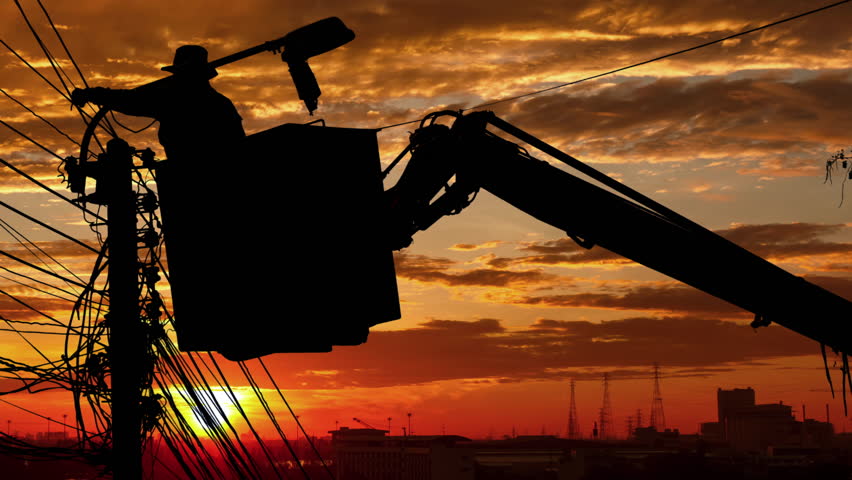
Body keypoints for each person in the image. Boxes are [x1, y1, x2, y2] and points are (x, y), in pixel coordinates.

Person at [71, 44, 245, 161]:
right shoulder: (222, 104)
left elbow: (129, 100)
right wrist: (92, 94)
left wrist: (91, 94)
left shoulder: (172, 99)